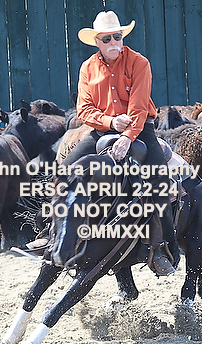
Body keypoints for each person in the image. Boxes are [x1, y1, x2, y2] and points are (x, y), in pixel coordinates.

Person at [61, 10, 180, 276]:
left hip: (141, 128)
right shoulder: (87, 68)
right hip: (103, 129)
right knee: (63, 174)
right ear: (97, 42)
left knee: (159, 181)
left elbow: (139, 107)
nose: (114, 41)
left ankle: (164, 246)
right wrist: (111, 122)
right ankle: (54, 233)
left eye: (117, 36)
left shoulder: (139, 63)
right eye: (107, 38)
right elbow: (84, 109)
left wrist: (127, 136)